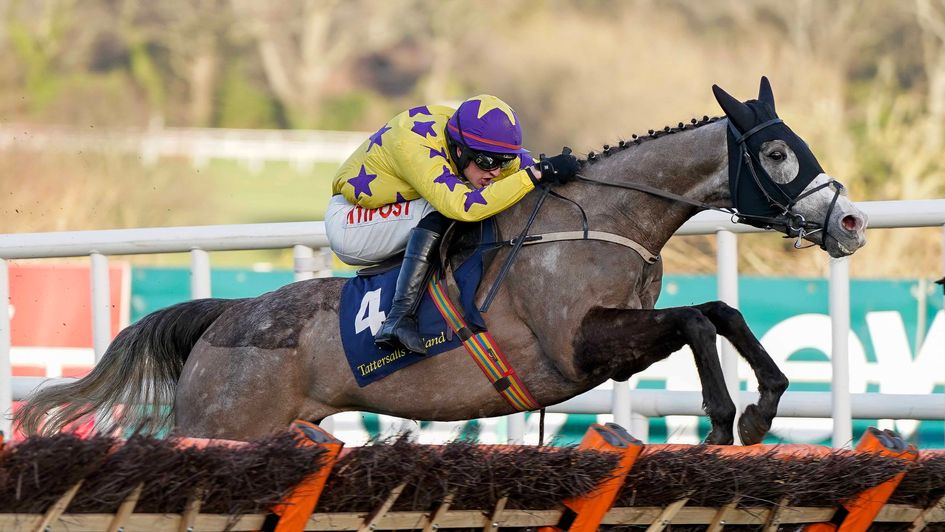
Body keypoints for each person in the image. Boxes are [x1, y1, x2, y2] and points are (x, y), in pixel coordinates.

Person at [325, 95, 580, 354]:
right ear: (460, 150)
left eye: (502, 162)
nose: (495, 171)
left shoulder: (474, 144)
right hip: (352, 222)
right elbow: (462, 207)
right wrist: (533, 175)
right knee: (451, 203)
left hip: (392, 209)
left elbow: (525, 169)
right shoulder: (413, 143)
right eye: (487, 162)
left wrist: (551, 168)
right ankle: (399, 317)